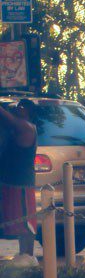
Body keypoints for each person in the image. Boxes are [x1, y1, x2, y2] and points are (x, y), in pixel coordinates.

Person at [0, 99, 38, 259]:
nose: (16, 109)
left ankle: (27, 256)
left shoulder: (26, 127)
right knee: (15, 222)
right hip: (9, 182)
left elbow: (8, 119)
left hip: (21, 184)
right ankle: (23, 255)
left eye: (20, 107)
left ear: (27, 111)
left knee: (25, 222)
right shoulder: (14, 129)